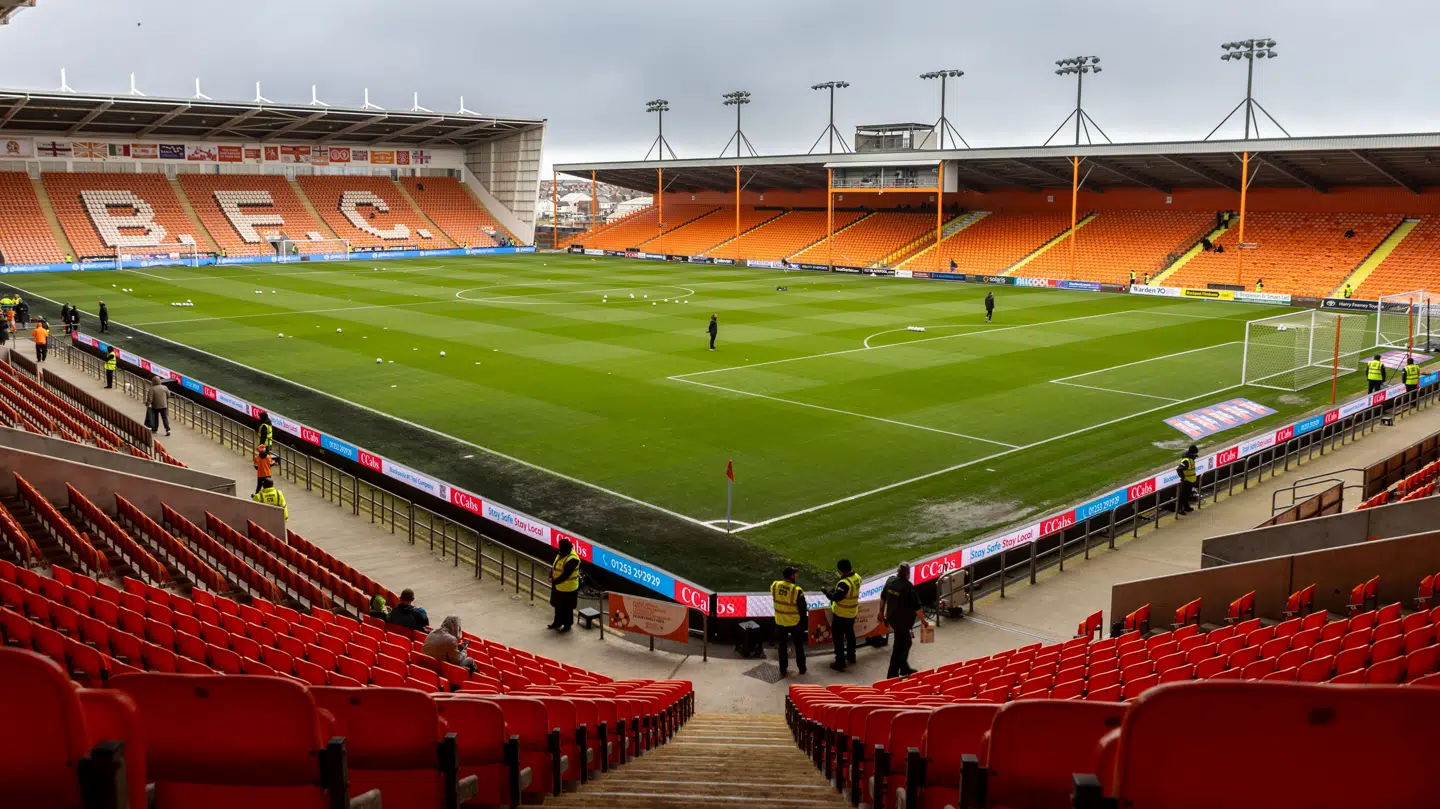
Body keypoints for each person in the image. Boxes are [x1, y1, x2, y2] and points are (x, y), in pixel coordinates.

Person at [879, 562, 928, 679]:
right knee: (899, 648)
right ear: (907, 574)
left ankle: (904, 667)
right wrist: (923, 621)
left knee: (907, 642)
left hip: (892, 619)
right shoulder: (908, 588)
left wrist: (880, 613)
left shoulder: (890, 581)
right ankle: (892, 675)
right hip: (903, 622)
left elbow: (883, 598)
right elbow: (917, 608)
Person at [824, 559, 862, 672]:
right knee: (850, 634)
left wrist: (826, 592)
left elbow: (836, 597)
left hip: (841, 614)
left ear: (841, 570)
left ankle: (840, 662)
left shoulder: (844, 583)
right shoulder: (857, 577)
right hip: (852, 612)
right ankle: (851, 656)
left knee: (838, 638)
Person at [771, 565, 808, 677]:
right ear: (791, 576)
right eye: (794, 574)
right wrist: (803, 623)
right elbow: (802, 609)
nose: (796, 576)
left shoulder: (775, 585)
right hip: (794, 623)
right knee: (798, 646)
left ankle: (783, 669)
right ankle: (801, 668)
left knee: (782, 646)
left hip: (780, 621)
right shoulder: (797, 590)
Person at [548, 539, 581, 632]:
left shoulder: (573, 559)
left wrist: (555, 581)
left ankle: (567, 625)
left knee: (567, 608)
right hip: (558, 586)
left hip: (569, 588)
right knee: (557, 606)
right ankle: (557, 623)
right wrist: (551, 575)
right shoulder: (561, 553)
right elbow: (555, 567)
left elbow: (566, 574)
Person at [1176, 444, 1198, 516]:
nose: (1196, 455)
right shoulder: (1187, 460)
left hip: (1190, 480)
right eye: (1195, 453)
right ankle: (1179, 509)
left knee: (1187, 494)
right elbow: (1179, 469)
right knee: (1183, 495)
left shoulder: (1190, 459)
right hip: (1186, 481)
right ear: (1192, 453)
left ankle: (1186, 507)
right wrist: (1183, 478)